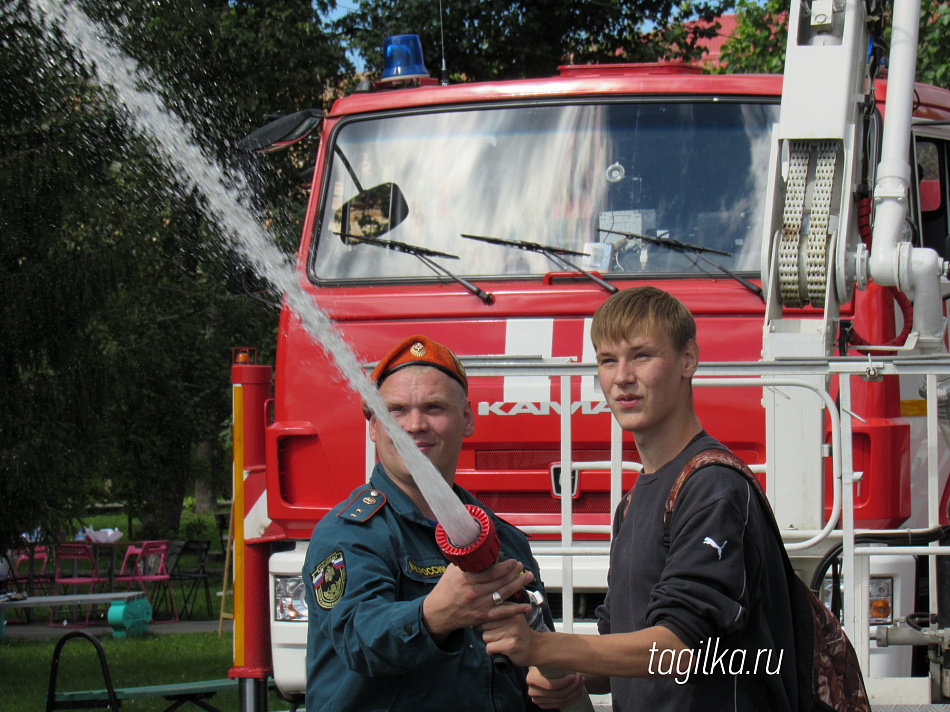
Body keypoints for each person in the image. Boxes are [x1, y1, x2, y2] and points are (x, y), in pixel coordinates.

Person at [482, 286, 798, 712]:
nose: (622, 377)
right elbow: (621, 653)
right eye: (608, 360)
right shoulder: (633, 504)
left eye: (642, 355)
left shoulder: (714, 488)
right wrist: (567, 677)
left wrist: (543, 647)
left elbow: (679, 649)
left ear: (689, 359)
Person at [303, 334, 552, 712]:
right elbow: (356, 637)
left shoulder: (504, 540)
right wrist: (433, 615)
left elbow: (537, 662)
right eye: (396, 411)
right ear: (372, 425)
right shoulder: (349, 535)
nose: (415, 425)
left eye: (434, 408)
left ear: (467, 419)